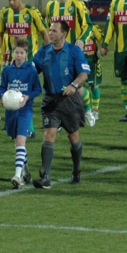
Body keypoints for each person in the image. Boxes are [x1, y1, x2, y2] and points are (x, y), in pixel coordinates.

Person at [31, 21, 91, 189]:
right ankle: (45, 177)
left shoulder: (74, 51)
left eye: (54, 31)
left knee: (73, 137)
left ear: (64, 34)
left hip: (70, 102)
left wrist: (74, 85)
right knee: (48, 135)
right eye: (49, 30)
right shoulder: (44, 51)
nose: (50, 33)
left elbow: (84, 73)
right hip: (50, 100)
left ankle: (76, 170)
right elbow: (32, 71)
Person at [45, 0, 95, 126]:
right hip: (56, 53)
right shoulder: (50, 6)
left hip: (73, 53)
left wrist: (81, 39)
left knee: (76, 88)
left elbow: (88, 26)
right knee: (57, 87)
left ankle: (88, 110)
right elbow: (49, 28)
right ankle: (59, 119)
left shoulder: (77, 5)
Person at [0, 37, 42, 189]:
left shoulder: (31, 70)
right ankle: (26, 172)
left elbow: (38, 89)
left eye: (21, 53)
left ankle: (17, 176)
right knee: (17, 142)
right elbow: (1, 87)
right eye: (16, 52)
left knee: (21, 141)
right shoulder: (7, 70)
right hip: (10, 112)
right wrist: (2, 97)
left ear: (26, 54)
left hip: (25, 111)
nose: (18, 56)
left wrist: (28, 97)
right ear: (12, 53)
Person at [0, 0, 49, 69]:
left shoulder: (32, 12)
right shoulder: (4, 12)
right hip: (11, 60)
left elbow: (44, 33)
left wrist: (48, 55)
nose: (11, 2)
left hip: (30, 60)